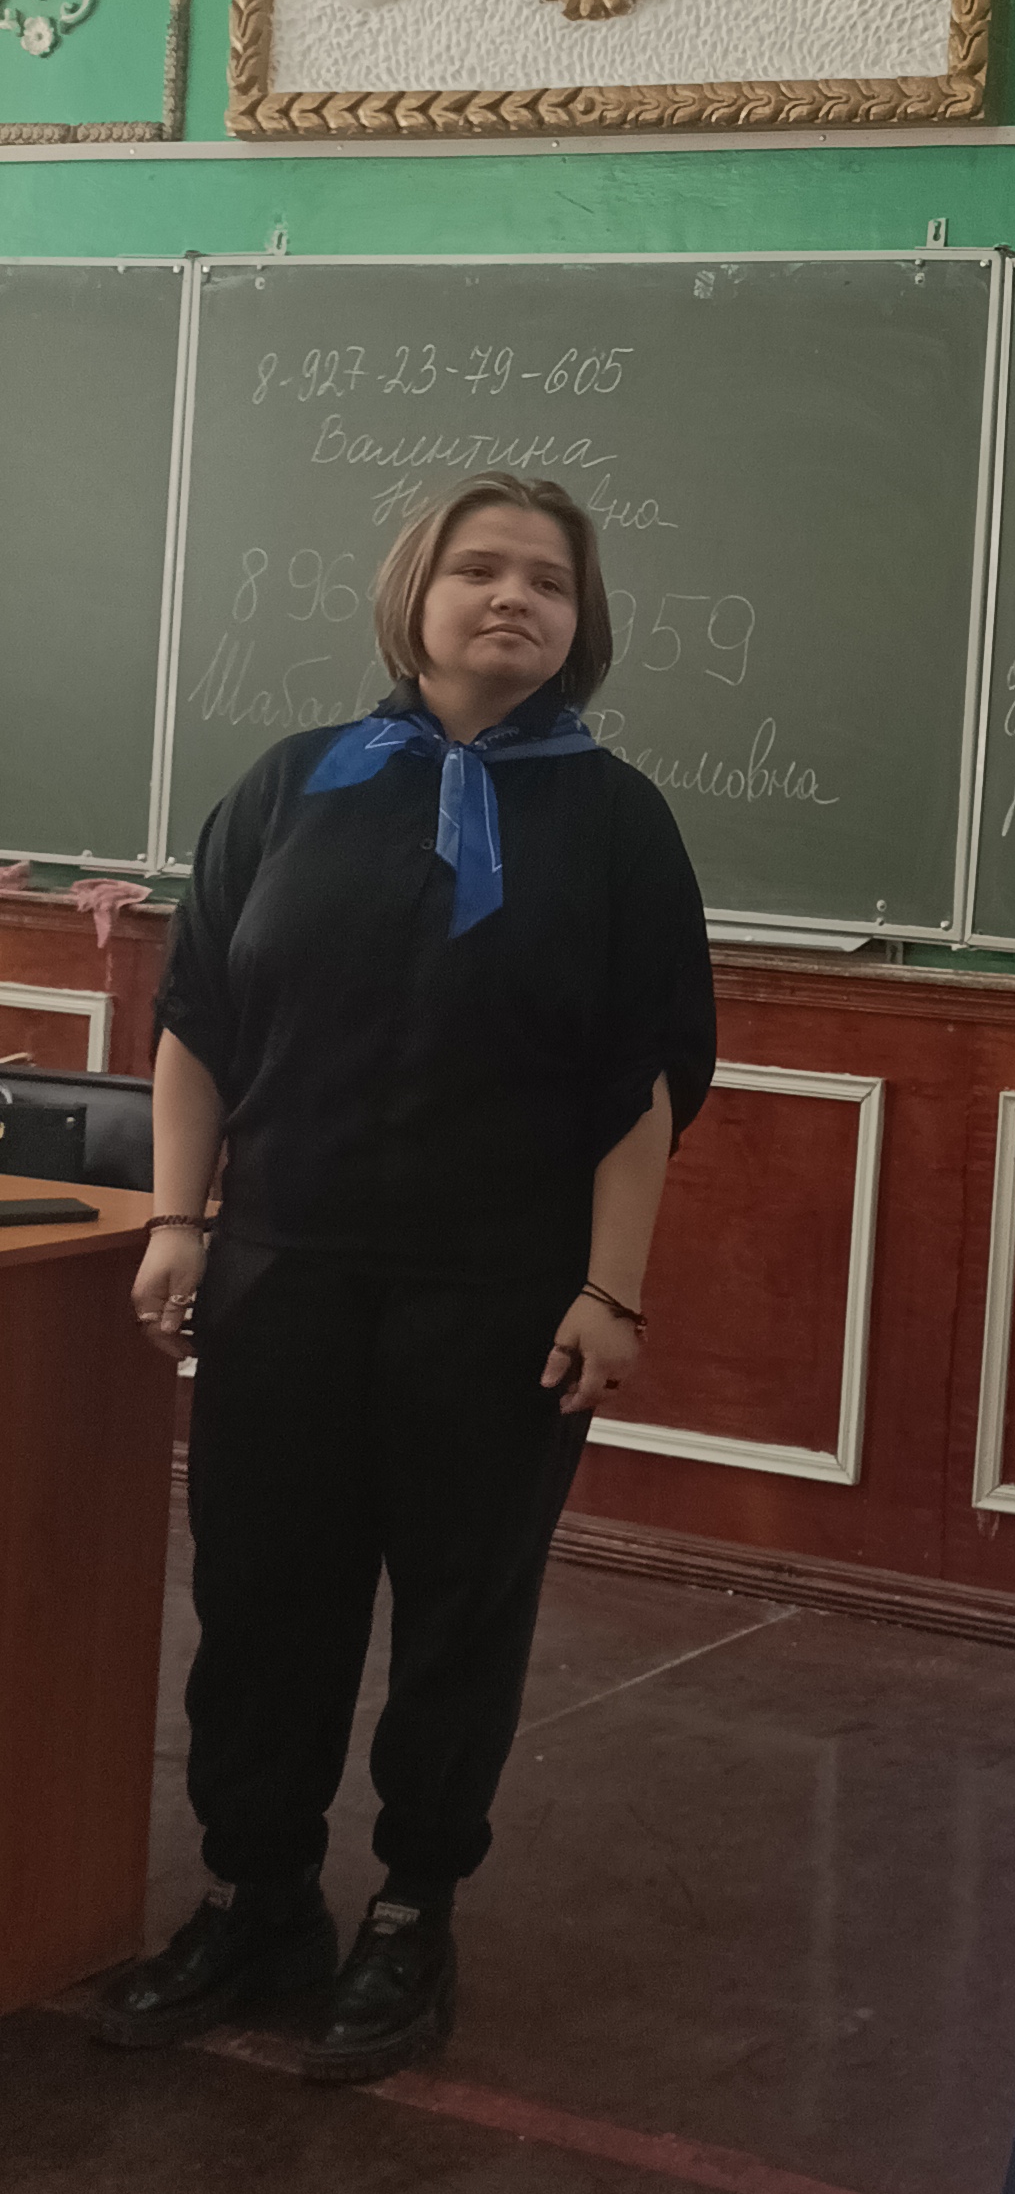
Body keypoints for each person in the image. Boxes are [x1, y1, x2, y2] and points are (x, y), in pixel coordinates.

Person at [92, 475, 714, 2083]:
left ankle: (410, 1913)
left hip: (498, 1295)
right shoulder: (293, 784)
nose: (513, 599)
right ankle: (258, 1899)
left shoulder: (618, 822)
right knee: (261, 1599)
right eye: (478, 569)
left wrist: (613, 1293)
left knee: (460, 1610)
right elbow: (198, 1020)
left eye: (549, 583)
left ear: (581, 624)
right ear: (412, 597)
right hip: (284, 1271)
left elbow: (641, 1082)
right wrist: (177, 1220)